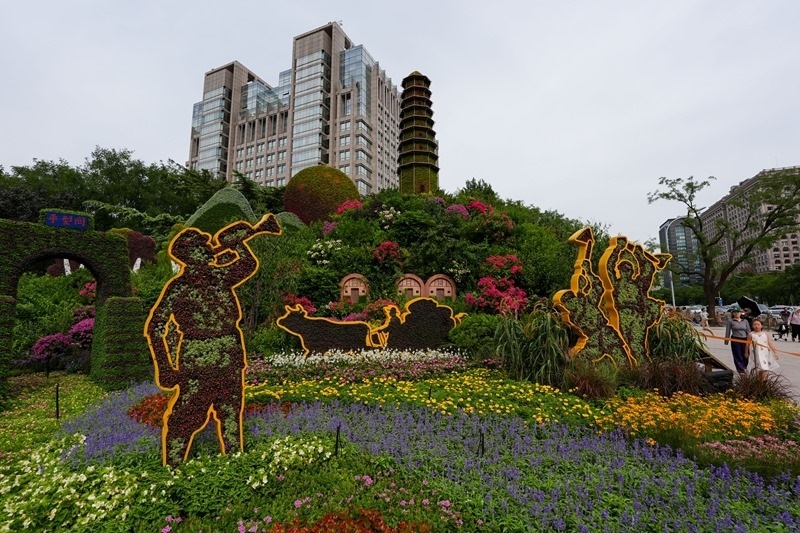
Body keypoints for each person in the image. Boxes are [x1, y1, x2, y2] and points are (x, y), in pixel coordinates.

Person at [145, 214, 281, 466]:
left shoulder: (220, 277)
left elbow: (248, 264)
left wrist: (238, 244)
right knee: (183, 419)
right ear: (190, 254)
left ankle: (235, 466)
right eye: (202, 244)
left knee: (230, 415)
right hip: (197, 361)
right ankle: (172, 470)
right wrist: (165, 367)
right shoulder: (179, 288)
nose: (209, 245)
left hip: (229, 356)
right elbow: (156, 327)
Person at [725, 308, 751, 374]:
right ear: (733, 314)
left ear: (740, 313)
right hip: (735, 339)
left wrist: (751, 339)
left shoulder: (745, 321)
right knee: (737, 354)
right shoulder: (731, 321)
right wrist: (726, 340)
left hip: (744, 339)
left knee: (745, 354)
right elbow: (728, 331)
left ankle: (745, 366)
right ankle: (740, 369)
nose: (736, 314)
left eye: (738, 312)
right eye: (735, 312)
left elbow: (748, 331)